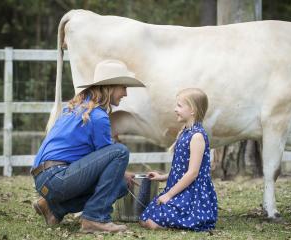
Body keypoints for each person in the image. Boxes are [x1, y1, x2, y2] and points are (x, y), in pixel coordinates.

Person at [31, 59, 145, 233]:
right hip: (58, 177)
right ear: (111, 86)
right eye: (123, 87)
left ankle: (52, 207)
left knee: (121, 186)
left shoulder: (77, 107)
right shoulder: (98, 116)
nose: (126, 94)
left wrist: (125, 175)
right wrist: (123, 172)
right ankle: (95, 218)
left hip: (44, 178)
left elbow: (99, 164)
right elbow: (110, 157)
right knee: (120, 151)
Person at [139, 88, 218, 231]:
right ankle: (173, 219)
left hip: (193, 195)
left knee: (151, 223)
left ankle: (186, 220)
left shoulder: (197, 137)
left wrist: (169, 195)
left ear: (192, 110)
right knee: (145, 218)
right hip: (180, 190)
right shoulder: (185, 133)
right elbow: (181, 170)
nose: (175, 109)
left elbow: (193, 173)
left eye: (179, 106)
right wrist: (162, 177)